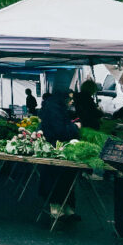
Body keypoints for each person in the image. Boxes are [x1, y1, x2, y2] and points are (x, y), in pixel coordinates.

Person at [38, 90, 82, 219]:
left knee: (65, 177)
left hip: (59, 149)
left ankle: (67, 207)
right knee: (56, 178)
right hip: (55, 150)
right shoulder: (55, 111)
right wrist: (75, 127)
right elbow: (60, 131)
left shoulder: (56, 109)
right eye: (70, 98)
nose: (72, 101)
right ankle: (56, 207)